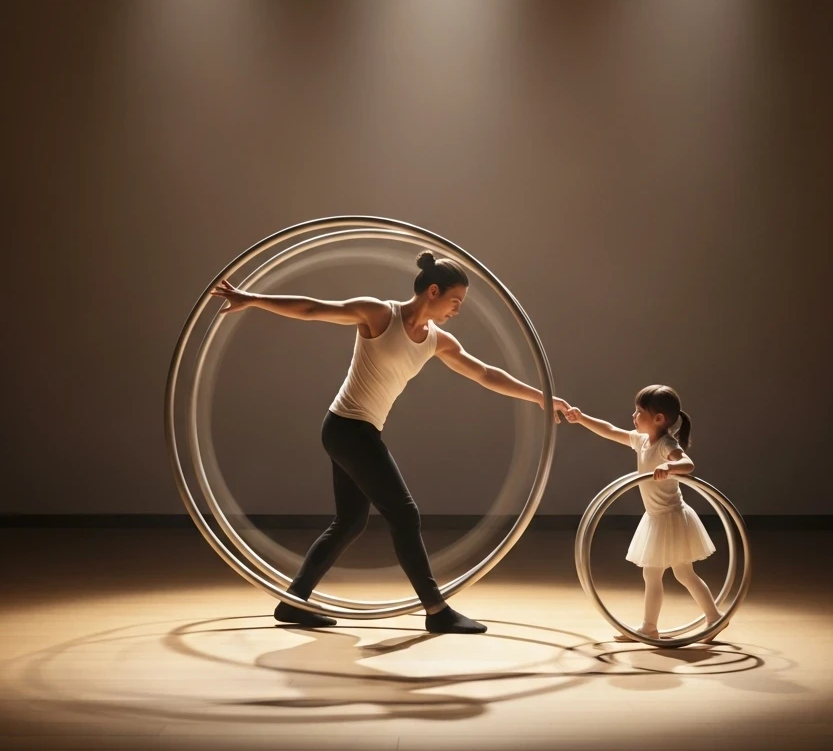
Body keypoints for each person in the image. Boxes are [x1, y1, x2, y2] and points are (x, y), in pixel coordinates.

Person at [211, 250, 570, 635]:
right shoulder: (380, 315)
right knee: (405, 515)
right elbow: (313, 309)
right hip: (348, 429)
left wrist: (541, 398)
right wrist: (250, 299)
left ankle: (293, 601)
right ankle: (436, 610)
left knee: (350, 522)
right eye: (455, 301)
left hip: (358, 431)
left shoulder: (437, 341)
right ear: (433, 291)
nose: (458, 310)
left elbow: (485, 373)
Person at [565, 384, 728, 643]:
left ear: (658, 419)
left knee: (665, 574)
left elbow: (687, 463)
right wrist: (582, 418)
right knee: (678, 573)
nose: (633, 416)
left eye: (638, 411)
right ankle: (710, 618)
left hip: (671, 518)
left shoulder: (666, 444)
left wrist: (669, 465)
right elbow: (610, 431)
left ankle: (659, 626)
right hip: (656, 518)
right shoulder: (642, 440)